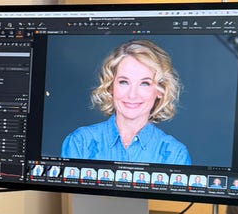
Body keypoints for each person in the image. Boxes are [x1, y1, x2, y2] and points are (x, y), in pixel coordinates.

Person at [60, 40, 191, 165]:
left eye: (145, 83)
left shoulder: (175, 154)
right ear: (111, 86)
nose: (132, 95)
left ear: (160, 90)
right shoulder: (80, 142)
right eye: (124, 82)